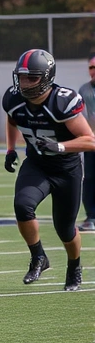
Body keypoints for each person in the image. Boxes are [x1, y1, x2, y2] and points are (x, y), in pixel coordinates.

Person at [3, 49, 94, 291]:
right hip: (37, 165)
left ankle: (74, 266)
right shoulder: (14, 99)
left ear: (46, 77)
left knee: (65, 229)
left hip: (67, 170)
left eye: (32, 78)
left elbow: (90, 140)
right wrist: (11, 148)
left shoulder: (62, 101)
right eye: (22, 77)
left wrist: (60, 146)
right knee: (23, 206)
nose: (25, 83)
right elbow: (12, 119)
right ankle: (38, 257)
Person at [76, 53, 95, 231]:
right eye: (91, 67)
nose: (93, 71)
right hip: (92, 142)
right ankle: (91, 217)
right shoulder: (84, 90)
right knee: (89, 179)